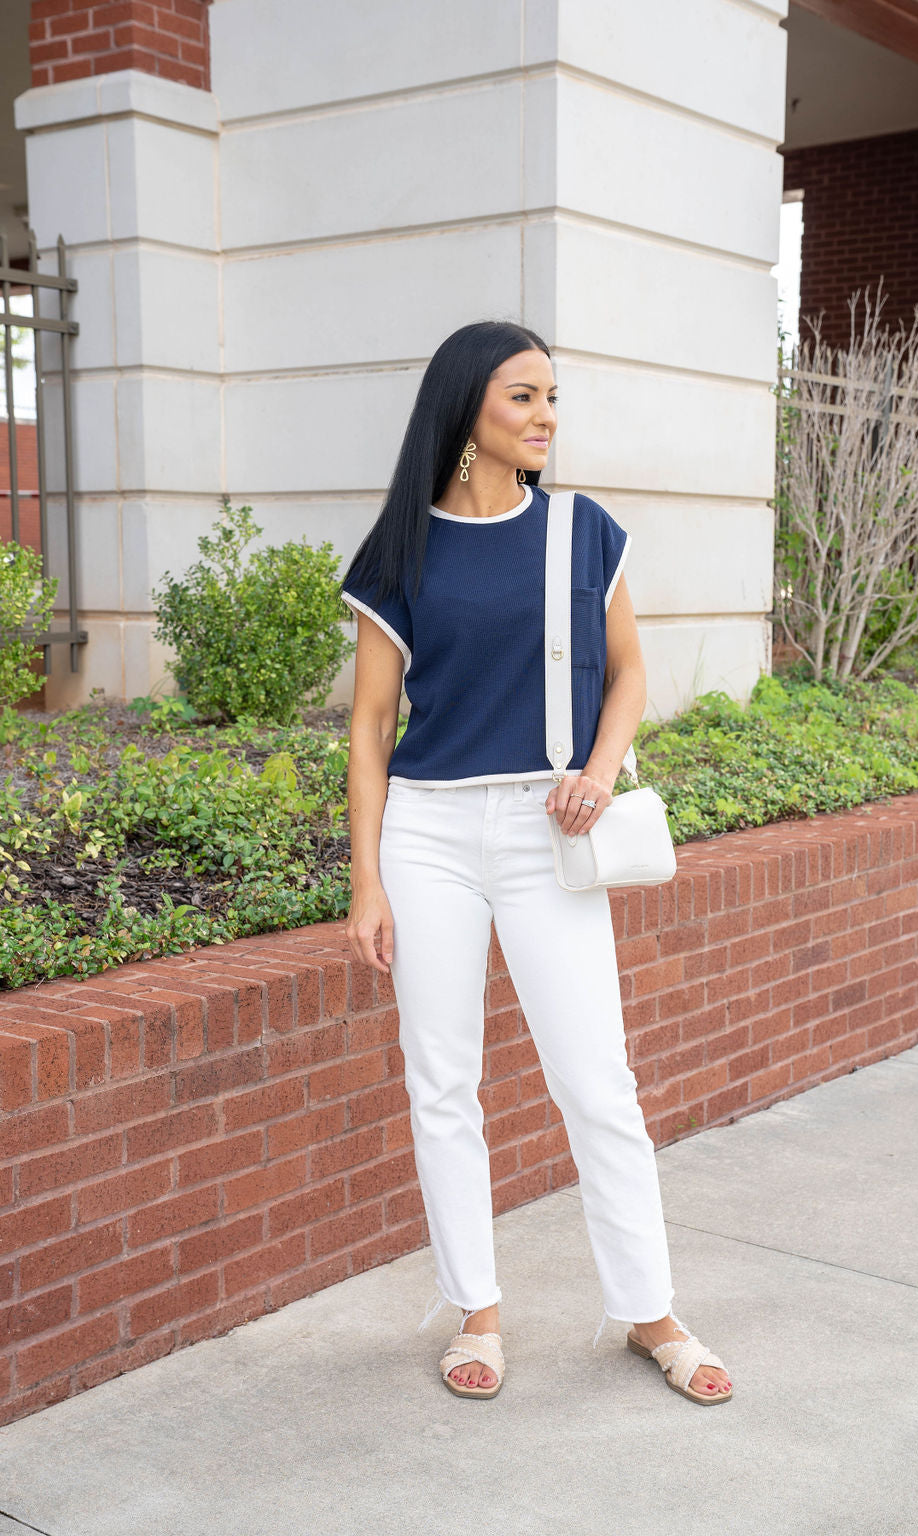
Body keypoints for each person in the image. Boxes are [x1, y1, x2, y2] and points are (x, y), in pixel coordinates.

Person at [340, 320, 733, 1405]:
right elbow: (371, 728)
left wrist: (602, 771)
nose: (545, 414)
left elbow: (628, 677)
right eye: (523, 396)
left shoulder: (579, 532)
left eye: (552, 396)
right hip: (425, 831)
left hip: (544, 832)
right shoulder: (399, 549)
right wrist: (367, 878)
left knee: (596, 1082)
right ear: (467, 408)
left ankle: (648, 1312)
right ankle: (477, 1310)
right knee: (442, 1083)